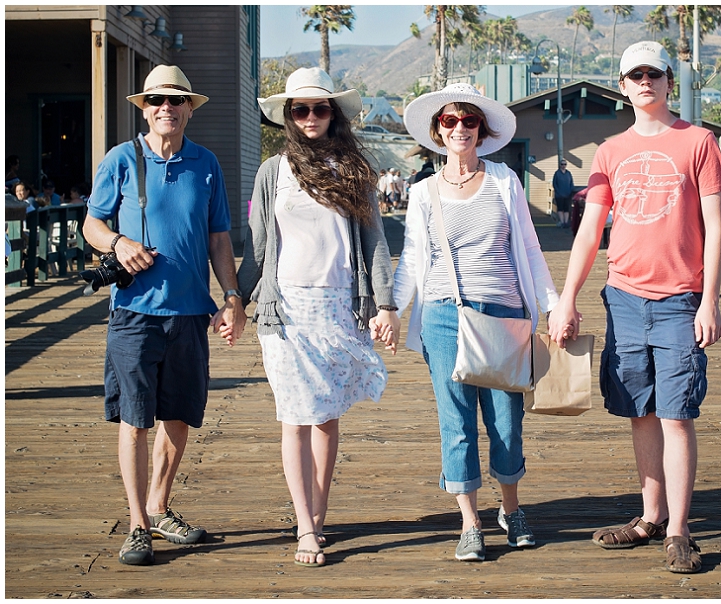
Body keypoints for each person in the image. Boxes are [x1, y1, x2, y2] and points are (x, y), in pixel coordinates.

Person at [548, 41, 721, 575]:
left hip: (680, 300)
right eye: (635, 75)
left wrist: (710, 301)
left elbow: (716, 227)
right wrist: (567, 299)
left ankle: (680, 531)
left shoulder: (698, 142)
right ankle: (651, 517)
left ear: (669, 82)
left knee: (677, 414)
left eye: (654, 73)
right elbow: (590, 231)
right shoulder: (610, 151)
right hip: (624, 298)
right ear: (623, 87)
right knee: (640, 411)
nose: (645, 82)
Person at [82, 65, 246, 566]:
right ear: (144, 108)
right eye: (156, 100)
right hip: (134, 312)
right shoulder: (121, 159)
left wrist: (232, 297)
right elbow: (91, 223)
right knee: (134, 419)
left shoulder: (206, 163)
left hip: (191, 312)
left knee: (178, 415)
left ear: (189, 109)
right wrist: (118, 243)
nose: (166, 108)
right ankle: (137, 525)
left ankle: (158, 505)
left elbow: (219, 238)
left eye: (176, 100)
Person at [241, 67, 400, 568]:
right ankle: (304, 526)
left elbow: (375, 242)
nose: (310, 117)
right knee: (294, 417)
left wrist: (386, 304)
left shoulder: (355, 170)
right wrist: (234, 300)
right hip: (284, 309)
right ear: (288, 116)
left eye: (320, 108)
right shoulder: (273, 172)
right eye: (300, 109)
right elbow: (257, 245)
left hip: (338, 306)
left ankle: (319, 513)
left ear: (334, 113)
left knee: (326, 416)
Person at [394, 82, 559, 562]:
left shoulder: (505, 181)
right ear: (438, 130)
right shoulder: (423, 192)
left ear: (481, 130)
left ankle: (511, 509)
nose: (460, 128)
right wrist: (392, 310)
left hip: (504, 316)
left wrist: (554, 305)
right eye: (451, 120)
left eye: (469, 121)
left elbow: (529, 247)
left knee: (506, 422)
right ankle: (470, 522)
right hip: (444, 317)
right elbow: (412, 259)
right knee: (457, 423)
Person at [552, 159, 575, 228]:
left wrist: (570, 191)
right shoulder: (557, 173)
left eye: (565, 164)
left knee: (566, 209)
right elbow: (554, 184)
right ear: (560, 165)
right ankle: (562, 222)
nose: (563, 166)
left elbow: (571, 183)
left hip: (567, 195)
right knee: (560, 209)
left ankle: (566, 222)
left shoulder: (568, 173)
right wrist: (558, 192)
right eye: (562, 164)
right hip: (559, 195)